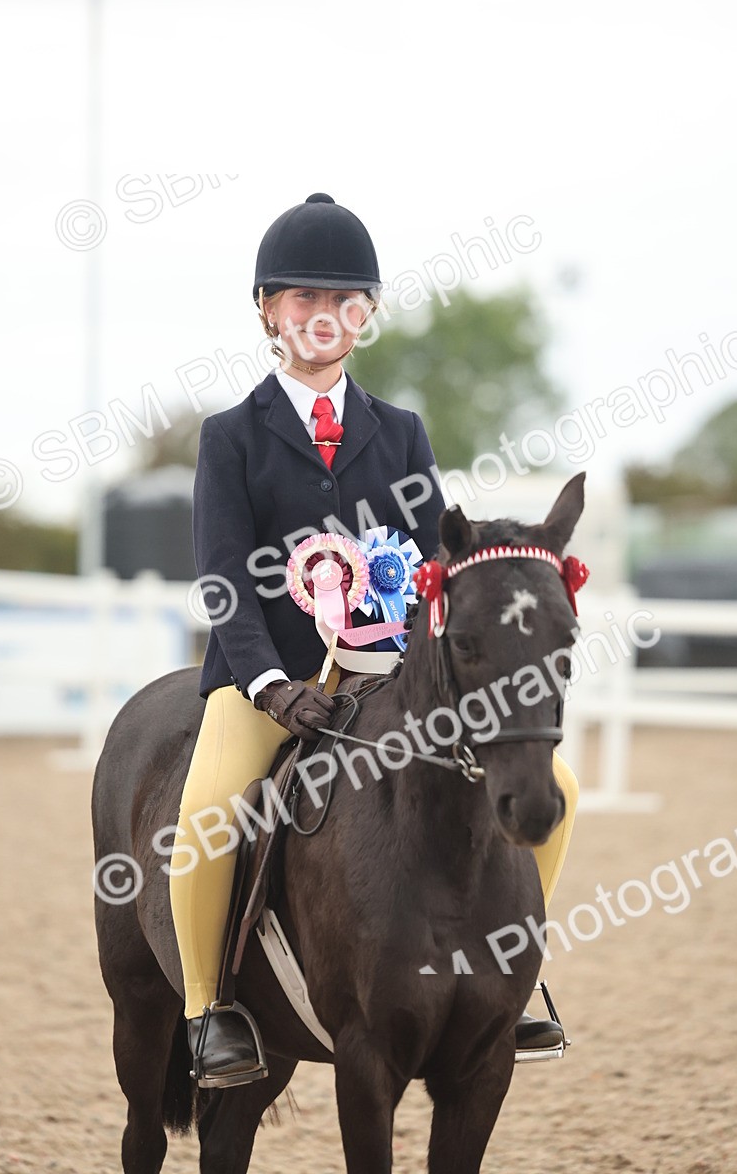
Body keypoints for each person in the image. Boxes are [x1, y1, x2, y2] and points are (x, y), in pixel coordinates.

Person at [168, 192, 579, 1087]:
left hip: (386, 674)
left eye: (344, 301)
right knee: (206, 815)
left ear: (368, 316)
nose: (324, 316)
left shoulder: (400, 433)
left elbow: (437, 567)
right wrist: (271, 685)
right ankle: (210, 1011)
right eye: (303, 300)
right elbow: (224, 580)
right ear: (269, 310)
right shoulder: (232, 438)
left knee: (562, 787)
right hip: (266, 683)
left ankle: (512, 988)